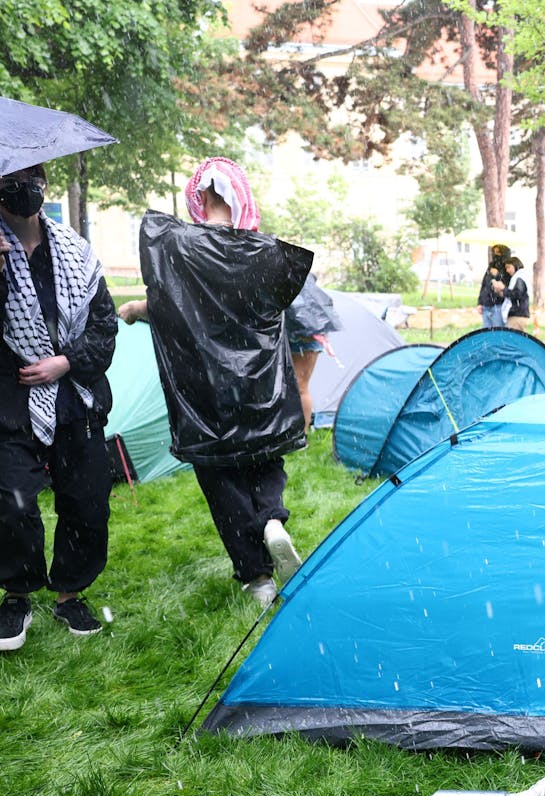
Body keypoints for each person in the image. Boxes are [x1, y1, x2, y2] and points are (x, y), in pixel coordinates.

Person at [117, 157, 312, 606]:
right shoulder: (264, 252)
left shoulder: (178, 246)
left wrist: (134, 308)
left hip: (206, 392)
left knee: (221, 475)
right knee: (263, 457)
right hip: (261, 387)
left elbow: (173, 302)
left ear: (201, 195)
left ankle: (256, 576)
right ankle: (271, 518)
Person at [0, 163, 118, 649]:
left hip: (76, 396)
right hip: (10, 400)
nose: (26, 188)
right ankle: (18, 593)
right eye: (12, 181)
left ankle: (69, 593)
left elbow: (104, 327)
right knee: (11, 500)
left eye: (34, 178)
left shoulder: (73, 249)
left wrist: (64, 363)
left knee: (88, 500)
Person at [286, 272, 341, 433]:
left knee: (300, 386)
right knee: (291, 386)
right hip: (291, 330)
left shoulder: (298, 276)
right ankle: (289, 433)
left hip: (308, 333)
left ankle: (300, 436)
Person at [477, 243, 510, 329]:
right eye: (494, 252)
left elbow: (506, 285)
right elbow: (484, 285)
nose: (495, 255)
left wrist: (498, 275)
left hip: (498, 305)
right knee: (486, 331)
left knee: (498, 331)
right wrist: (480, 302)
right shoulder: (490, 267)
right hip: (486, 304)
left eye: (498, 252)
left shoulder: (507, 268)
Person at [502, 256, 530, 333]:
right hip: (519, 314)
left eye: (509, 267)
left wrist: (503, 289)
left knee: (512, 341)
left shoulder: (519, 277)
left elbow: (517, 294)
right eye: (506, 268)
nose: (507, 270)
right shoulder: (520, 276)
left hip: (517, 315)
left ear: (515, 265)